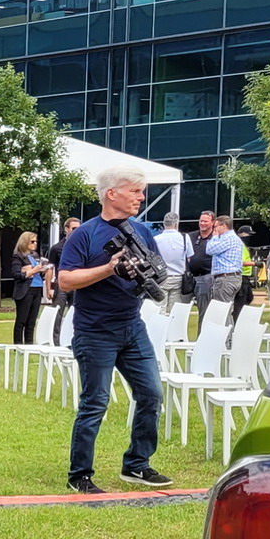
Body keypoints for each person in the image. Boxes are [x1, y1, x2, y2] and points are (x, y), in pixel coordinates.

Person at [56, 166, 172, 495]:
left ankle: (137, 464)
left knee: (151, 394)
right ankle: (79, 474)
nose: (141, 197)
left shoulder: (142, 232)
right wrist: (109, 268)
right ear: (112, 194)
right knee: (96, 402)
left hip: (132, 327)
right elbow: (65, 281)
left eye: (141, 191)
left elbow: (156, 271)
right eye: (135, 191)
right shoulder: (85, 234)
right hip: (95, 331)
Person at [205, 215, 246, 339]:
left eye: (216, 226)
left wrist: (214, 237)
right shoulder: (231, 238)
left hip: (226, 279)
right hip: (230, 278)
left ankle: (227, 341)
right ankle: (228, 339)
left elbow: (210, 249)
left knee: (223, 310)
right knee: (226, 309)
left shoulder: (228, 238)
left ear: (223, 225)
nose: (214, 229)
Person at [43, 216, 81, 343]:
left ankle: (73, 340)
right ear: (66, 229)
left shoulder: (82, 245)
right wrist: (48, 288)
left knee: (76, 313)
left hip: (77, 283)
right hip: (61, 284)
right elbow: (50, 268)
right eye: (74, 228)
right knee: (57, 312)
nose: (76, 231)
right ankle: (55, 341)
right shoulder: (57, 248)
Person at [10, 232, 50, 345]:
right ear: (25, 242)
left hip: (37, 289)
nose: (35, 244)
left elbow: (37, 272)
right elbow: (17, 275)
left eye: (36, 241)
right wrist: (33, 270)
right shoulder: (18, 256)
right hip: (25, 290)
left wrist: (42, 270)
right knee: (22, 319)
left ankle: (29, 344)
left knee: (32, 320)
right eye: (32, 241)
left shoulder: (35, 256)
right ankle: (18, 345)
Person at [154, 212, 188, 313]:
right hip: (178, 277)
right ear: (176, 223)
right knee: (174, 310)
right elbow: (189, 257)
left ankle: (160, 328)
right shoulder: (184, 238)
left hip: (161, 276)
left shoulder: (156, 239)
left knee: (159, 308)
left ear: (164, 224)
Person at [187, 209, 217, 322]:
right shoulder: (190, 236)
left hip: (206, 277)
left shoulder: (215, 238)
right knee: (181, 307)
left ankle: (201, 337)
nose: (202, 224)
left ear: (212, 222)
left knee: (203, 311)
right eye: (201, 221)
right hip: (189, 278)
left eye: (206, 221)